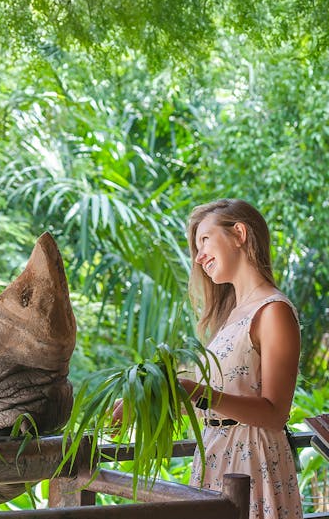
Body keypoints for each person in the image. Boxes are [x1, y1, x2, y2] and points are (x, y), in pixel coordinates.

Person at [114, 198, 303, 519]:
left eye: (204, 240)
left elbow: (275, 413)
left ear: (239, 233)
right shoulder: (231, 317)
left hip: (251, 461)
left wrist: (196, 391)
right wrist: (148, 396)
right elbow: (216, 398)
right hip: (217, 454)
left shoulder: (273, 311)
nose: (199, 256)